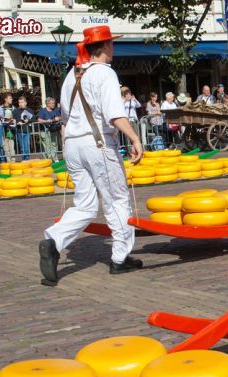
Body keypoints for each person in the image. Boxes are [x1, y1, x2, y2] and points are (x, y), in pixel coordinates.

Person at [41, 25, 144, 285]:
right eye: (111, 44)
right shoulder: (105, 74)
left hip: (74, 144)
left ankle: (53, 240)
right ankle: (120, 258)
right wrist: (134, 138)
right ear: (105, 47)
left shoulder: (71, 75)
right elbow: (114, 114)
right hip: (98, 144)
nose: (113, 48)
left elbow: (64, 118)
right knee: (117, 200)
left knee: (85, 205)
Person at [13, 96, 35, 161]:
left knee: (26, 146)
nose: (20, 104)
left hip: (27, 130)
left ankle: (27, 159)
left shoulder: (29, 110)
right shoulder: (15, 111)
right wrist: (17, 122)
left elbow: (34, 118)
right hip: (19, 130)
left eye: (22, 102)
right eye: (19, 102)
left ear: (25, 103)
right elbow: (12, 119)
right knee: (22, 147)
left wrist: (28, 121)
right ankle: (24, 159)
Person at [0, 93, 16, 162]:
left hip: (11, 130)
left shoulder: (13, 107)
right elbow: (0, 118)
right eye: (10, 98)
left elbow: (15, 116)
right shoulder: (1, 108)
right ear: (5, 99)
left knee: (12, 145)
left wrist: (13, 119)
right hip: (4, 130)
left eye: (11, 98)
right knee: (6, 147)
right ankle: (8, 161)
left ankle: (13, 160)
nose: (11, 99)